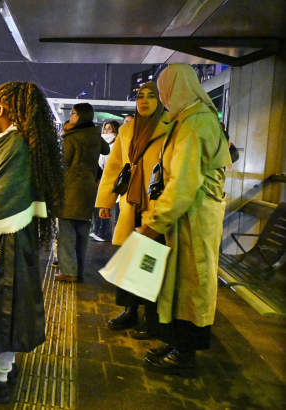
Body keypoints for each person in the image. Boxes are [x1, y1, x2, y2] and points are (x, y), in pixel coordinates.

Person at [0, 82, 65, 403]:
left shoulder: (12, 144)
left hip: (1, 239)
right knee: (8, 304)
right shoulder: (20, 141)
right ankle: (3, 366)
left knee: (1, 306)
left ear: (2, 110)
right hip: (12, 236)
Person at [138, 64, 231, 375]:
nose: (163, 97)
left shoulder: (194, 123)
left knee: (193, 284)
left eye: (164, 89)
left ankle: (185, 353)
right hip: (186, 218)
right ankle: (176, 342)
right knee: (179, 284)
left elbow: (183, 182)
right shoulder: (189, 118)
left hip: (195, 219)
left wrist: (155, 221)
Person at [95, 82, 170, 339]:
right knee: (128, 260)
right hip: (130, 204)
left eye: (151, 96)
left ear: (161, 100)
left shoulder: (169, 126)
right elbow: (114, 166)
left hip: (154, 205)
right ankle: (130, 310)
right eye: (140, 96)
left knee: (148, 263)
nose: (144, 101)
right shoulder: (127, 129)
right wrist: (106, 201)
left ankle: (151, 319)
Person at [54, 103, 110, 282]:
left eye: (73, 114)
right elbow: (106, 149)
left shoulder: (71, 137)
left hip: (70, 189)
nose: (70, 116)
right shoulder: (94, 135)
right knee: (82, 233)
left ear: (81, 116)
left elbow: (63, 163)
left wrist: (64, 135)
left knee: (66, 233)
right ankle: (78, 270)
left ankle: (68, 271)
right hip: (88, 190)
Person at [91, 120, 120, 242]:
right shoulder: (101, 142)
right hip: (103, 176)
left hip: (111, 177)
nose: (106, 131)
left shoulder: (117, 143)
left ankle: (106, 233)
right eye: (105, 128)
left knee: (109, 206)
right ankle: (100, 231)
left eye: (109, 128)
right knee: (101, 205)